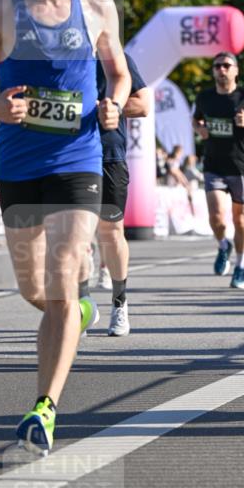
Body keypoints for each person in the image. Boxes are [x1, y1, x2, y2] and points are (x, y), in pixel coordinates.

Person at [0, 0, 130, 455]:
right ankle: (82, 312)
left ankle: (44, 407)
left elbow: (120, 72)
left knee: (64, 272)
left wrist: (113, 103)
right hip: (18, 167)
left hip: (78, 161)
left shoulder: (97, 6)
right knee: (36, 291)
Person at [80, 52, 150, 334]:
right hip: (70, 158)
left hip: (109, 157)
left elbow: (143, 104)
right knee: (76, 236)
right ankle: (81, 307)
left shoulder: (114, 58)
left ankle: (120, 304)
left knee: (110, 232)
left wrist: (113, 107)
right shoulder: (56, 55)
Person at [193, 51, 244, 289]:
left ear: (236, 70)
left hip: (240, 166)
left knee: (240, 219)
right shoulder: (204, 97)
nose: (222, 69)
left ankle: (241, 267)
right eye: (217, 66)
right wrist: (200, 129)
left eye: (227, 65)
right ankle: (222, 246)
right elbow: (196, 120)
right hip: (213, 164)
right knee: (216, 216)